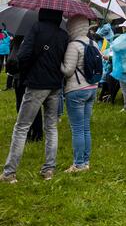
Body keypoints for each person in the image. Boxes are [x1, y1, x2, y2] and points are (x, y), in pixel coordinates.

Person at [1, 9, 68, 183]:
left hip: (36, 84)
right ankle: (48, 170)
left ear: (42, 14)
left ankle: (9, 173)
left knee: (21, 127)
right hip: (55, 84)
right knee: (51, 127)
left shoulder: (36, 28)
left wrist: (26, 70)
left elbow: (23, 55)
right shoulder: (63, 34)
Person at [60, 16, 100, 173]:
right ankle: (86, 161)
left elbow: (68, 71)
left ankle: (78, 164)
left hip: (76, 90)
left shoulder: (73, 45)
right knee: (85, 128)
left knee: (77, 128)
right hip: (92, 88)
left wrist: (59, 64)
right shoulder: (94, 43)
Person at [6, 36, 43, 142]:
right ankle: (35, 133)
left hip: (22, 77)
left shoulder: (17, 40)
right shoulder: (34, 38)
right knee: (33, 105)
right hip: (29, 77)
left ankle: (30, 133)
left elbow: (11, 59)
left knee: (23, 105)